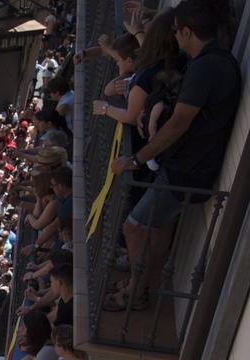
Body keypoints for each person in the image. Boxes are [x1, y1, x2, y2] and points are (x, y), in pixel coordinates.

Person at [109, 0, 242, 311]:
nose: (175, 37)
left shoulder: (207, 66)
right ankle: (142, 285)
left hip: (187, 170)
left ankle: (136, 290)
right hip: (189, 165)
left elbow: (178, 125)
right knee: (157, 227)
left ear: (186, 32)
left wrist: (135, 160)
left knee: (133, 226)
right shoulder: (212, 60)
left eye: (176, 31)